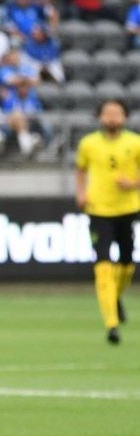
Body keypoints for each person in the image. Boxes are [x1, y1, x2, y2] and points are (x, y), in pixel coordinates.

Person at [75, 99, 140, 345]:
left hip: (127, 209)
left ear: (124, 117)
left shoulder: (135, 143)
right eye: (108, 113)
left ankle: (115, 299)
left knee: (126, 266)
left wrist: (133, 184)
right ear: (100, 117)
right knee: (103, 266)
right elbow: (80, 170)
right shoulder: (88, 144)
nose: (112, 117)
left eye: (117, 113)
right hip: (98, 210)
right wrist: (81, 193)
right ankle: (111, 324)